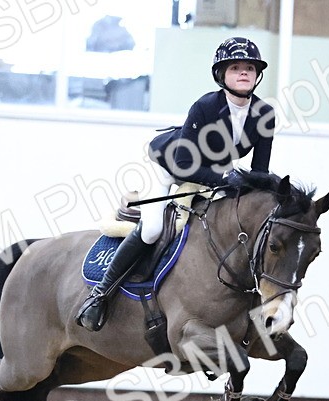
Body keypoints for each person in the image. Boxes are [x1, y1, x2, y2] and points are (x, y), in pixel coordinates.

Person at [76, 36, 277, 332]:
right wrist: (224, 181)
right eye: (235, 67)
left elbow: (260, 171)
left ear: (258, 75)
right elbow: (184, 165)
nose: (244, 72)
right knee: (154, 228)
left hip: (216, 169)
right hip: (172, 165)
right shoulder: (205, 106)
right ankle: (99, 295)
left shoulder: (264, 114)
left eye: (250, 67)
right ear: (221, 74)